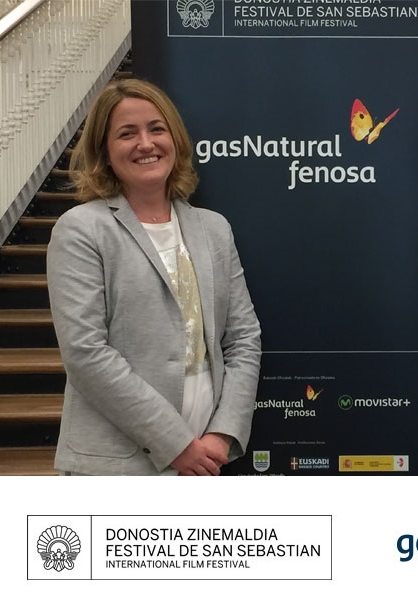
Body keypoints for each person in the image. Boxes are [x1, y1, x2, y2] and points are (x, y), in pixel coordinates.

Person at [47, 78, 261, 475]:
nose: (145, 144)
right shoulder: (80, 230)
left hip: (206, 459)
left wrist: (223, 434)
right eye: (127, 134)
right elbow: (85, 353)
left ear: (174, 139)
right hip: (115, 466)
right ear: (105, 152)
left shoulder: (214, 229)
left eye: (156, 129)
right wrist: (176, 444)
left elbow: (244, 339)